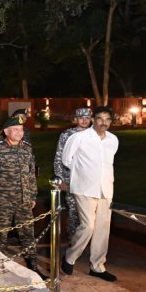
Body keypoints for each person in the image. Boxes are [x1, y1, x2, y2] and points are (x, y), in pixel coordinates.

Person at [61, 106, 119, 281]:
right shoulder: (79, 137)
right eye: (100, 118)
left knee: (103, 228)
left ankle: (97, 266)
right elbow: (66, 159)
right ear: (93, 119)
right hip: (84, 188)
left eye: (107, 119)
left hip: (106, 188)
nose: (103, 123)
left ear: (111, 122)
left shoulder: (113, 140)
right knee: (88, 226)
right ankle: (70, 257)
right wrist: (82, 173)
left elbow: (108, 162)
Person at [0, 115, 44, 278]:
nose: (19, 132)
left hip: (24, 201)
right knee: (2, 236)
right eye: (15, 129)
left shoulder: (26, 148)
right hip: (3, 200)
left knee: (28, 234)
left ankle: (33, 267)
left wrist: (32, 195)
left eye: (21, 129)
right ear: (6, 131)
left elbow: (31, 174)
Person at [53, 107, 92, 237]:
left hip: (90, 179)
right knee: (74, 209)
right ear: (76, 119)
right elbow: (59, 157)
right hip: (70, 178)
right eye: (81, 118)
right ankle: (73, 237)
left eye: (87, 118)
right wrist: (60, 179)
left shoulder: (94, 135)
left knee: (88, 211)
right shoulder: (67, 134)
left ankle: (85, 238)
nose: (84, 121)